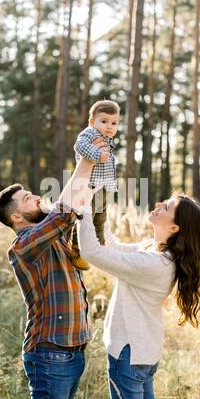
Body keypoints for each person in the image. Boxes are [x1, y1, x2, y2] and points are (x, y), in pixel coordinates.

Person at [74, 162, 200, 399]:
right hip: (142, 352)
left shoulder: (156, 264)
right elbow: (112, 246)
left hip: (129, 354)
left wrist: (82, 211)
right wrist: (98, 210)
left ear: (175, 227)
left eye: (166, 207)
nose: (158, 205)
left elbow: (93, 253)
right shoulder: (154, 250)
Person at [0, 154, 103, 399]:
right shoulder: (22, 246)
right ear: (16, 216)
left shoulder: (55, 238)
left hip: (73, 352)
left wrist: (94, 171)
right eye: (28, 198)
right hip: (50, 354)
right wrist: (86, 158)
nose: (37, 197)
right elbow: (60, 214)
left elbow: (67, 211)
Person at [70, 99, 120, 271]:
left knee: (100, 217)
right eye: (104, 121)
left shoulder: (107, 139)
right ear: (92, 122)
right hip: (89, 186)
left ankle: (99, 245)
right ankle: (76, 248)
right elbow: (79, 146)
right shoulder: (90, 134)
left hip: (103, 187)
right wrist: (98, 155)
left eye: (114, 123)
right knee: (85, 218)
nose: (109, 126)